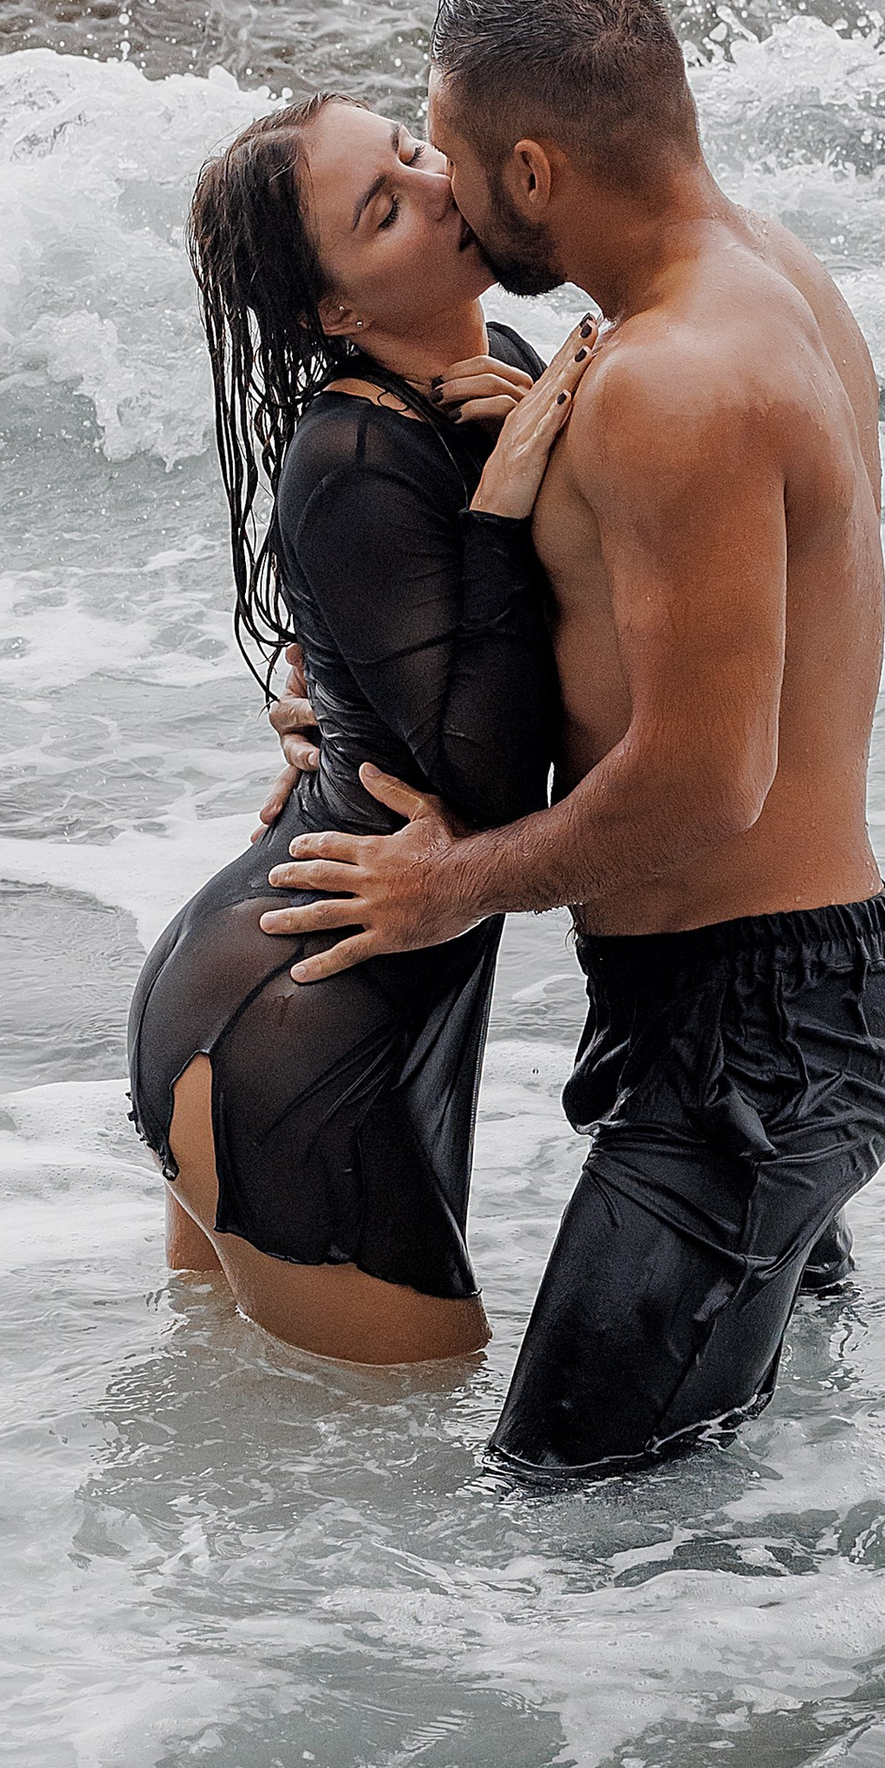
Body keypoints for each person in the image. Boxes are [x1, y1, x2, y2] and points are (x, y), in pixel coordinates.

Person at [259, 0, 885, 1483]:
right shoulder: (756, 282)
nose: (440, 188)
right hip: (794, 1009)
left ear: (533, 171)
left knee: (567, 1517)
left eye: (444, 153)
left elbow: (704, 784)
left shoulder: (669, 387)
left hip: (755, 1049)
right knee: (738, 1491)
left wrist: (449, 888)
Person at [127, 92, 594, 1364]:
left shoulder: (494, 363)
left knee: (234, 1420)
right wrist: (502, 512)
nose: (439, 187)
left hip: (288, 996)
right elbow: (481, 791)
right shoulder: (353, 455)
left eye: (412, 151)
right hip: (288, 1031)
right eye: (383, 210)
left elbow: (371, 665)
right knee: (409, 1456)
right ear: (333, 312)